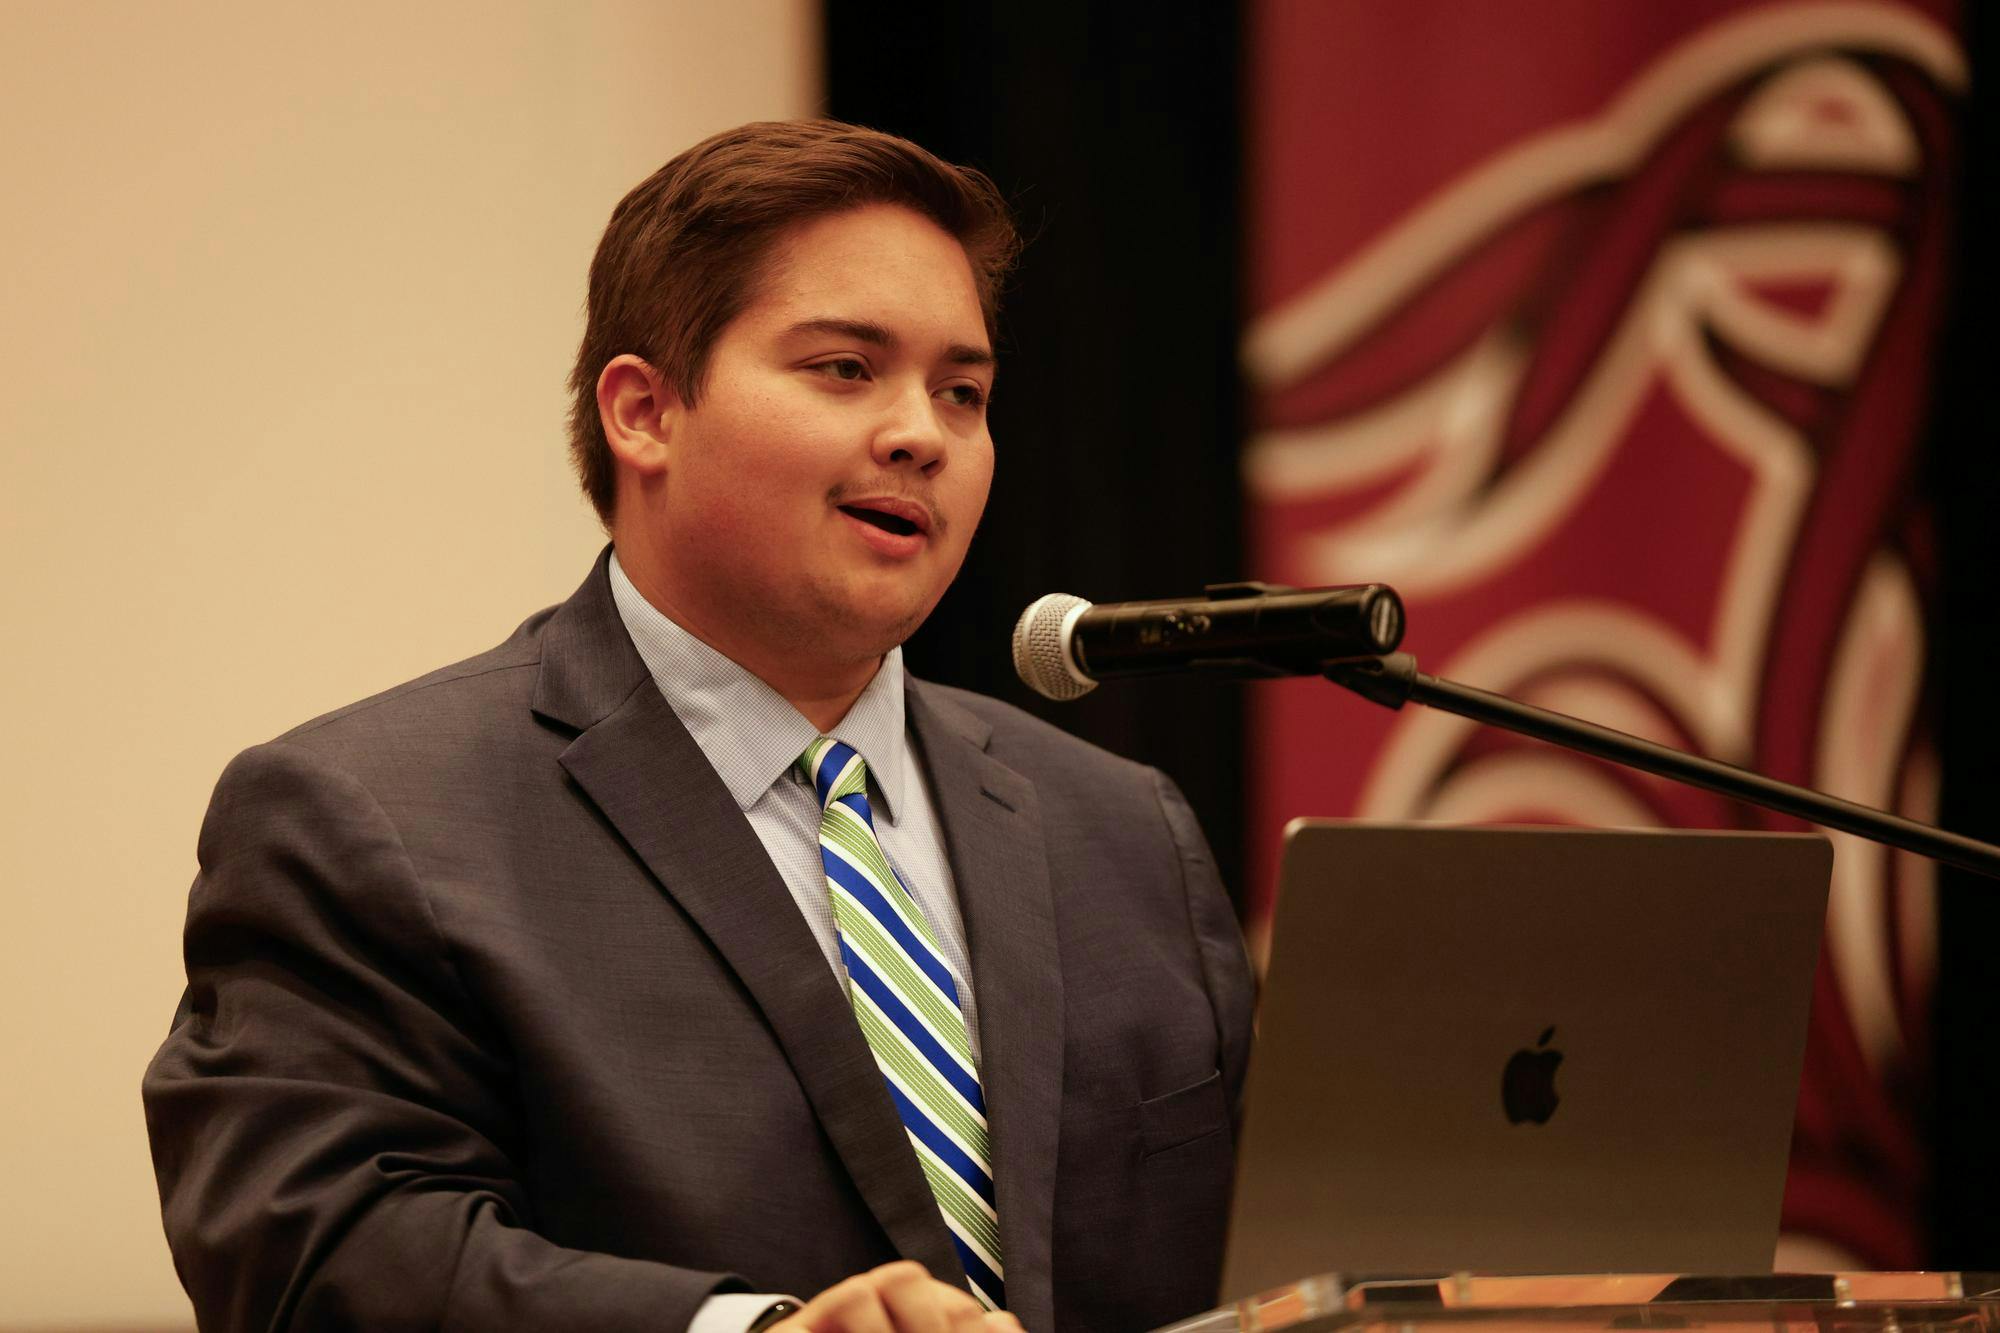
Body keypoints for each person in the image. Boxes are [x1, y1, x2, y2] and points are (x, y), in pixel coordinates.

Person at [143, 120, 1254, 1333]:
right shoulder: (369, 817)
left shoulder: (1121, 826)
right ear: (644, 412)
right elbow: (318, 1254)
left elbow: (1265, 1251)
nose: (921, 434)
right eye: (844, 368)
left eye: (962, 392)